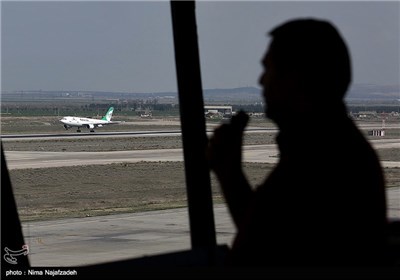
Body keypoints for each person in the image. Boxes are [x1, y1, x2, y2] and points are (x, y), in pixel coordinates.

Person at [207, 18, 388, 267]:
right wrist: (231, 174)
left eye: (269, 69)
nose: (261, 81)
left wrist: (230, 175)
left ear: (295, 78)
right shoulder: (334, 147)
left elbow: (261, 253)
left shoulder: (317, 162)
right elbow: (271, 236)